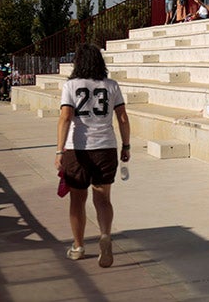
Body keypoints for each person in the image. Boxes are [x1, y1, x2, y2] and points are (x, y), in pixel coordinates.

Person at [56, 43, 130, 267]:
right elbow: (123, 118)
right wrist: (126, 146)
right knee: (103, 198)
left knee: (77, 200)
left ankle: (78, 246)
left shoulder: (71, 85)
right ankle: (105, 235)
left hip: (78, 149)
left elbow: (66, 118)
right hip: (105, 147)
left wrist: (60, 150)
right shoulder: (111, 85)